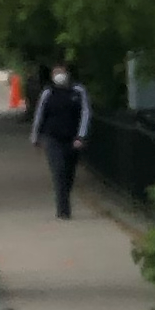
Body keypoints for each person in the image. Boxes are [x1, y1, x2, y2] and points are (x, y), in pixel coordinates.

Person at [31, 58, 91, 217]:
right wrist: (35, 136)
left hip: (72, 139)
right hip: (52, 138)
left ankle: (64, 198)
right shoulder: (48, 92)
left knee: (69, 173)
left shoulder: (78, 91)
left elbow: (85, 113)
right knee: (58, 171)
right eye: (56, 72)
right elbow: (39, 114)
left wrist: (81, 136)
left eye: (61, 72)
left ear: (67, 73)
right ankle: (63, 210)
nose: (59, 75)